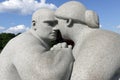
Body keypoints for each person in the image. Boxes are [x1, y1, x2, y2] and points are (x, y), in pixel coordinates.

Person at [0, 8, 74, 80]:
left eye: (56, 24)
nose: (56, 28)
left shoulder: (35, 41)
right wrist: (64, 53)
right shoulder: (25, 42)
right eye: (50, 23)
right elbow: (45, 77)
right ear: (34, 24)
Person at [55, 1, 120, 80]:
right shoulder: (84, 41)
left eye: (56, 22)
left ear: (68, 21)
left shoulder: (100, 41)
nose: (55, 28)